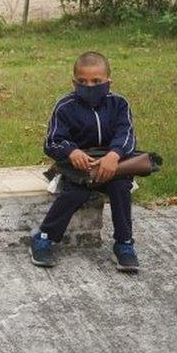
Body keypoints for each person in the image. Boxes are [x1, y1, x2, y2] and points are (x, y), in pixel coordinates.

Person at [31, 51, 140, 272]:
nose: (89, 86)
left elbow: (127, 135)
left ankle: (124, 243)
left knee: (121, 188)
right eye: (83, 82)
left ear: (108, 82)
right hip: (78, 168)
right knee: (75, 193)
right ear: (74, 82)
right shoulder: (65, 106)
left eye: (96, 81)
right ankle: (44, 236)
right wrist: (71, 152)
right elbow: (53, 141)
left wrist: (114, 155)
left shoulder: (119, 104)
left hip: (112, 164)